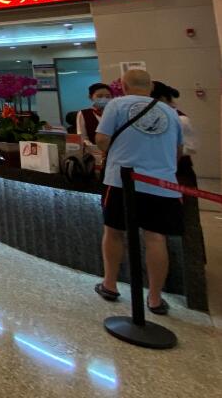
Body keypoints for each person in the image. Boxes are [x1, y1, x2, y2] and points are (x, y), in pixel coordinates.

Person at [94, 69, 183, 315]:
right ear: (151, 86)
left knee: (113, 232)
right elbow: (178, 150)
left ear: (123, 86)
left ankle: (110, 284)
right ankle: (155, 298)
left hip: (121, 181)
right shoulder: (170, 112)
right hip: (162, 183)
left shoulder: (117, 105)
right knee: (156, 238)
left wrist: (119, 151)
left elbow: (101, 139)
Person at [76, 82, 112, 147]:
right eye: (99, 96)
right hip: (94, 150)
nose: (104, 99)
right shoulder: (84, 114)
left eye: (108, 96)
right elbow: (83, 138)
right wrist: (95, 148)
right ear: (90, 97)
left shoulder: (115, 113)